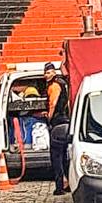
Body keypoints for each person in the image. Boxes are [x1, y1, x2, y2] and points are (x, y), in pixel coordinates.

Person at [44, 63, 71, 195]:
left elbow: (53, 103)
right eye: (45, 73)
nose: (46, 75)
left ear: (53, 72)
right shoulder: (63, 82)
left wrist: (49, 117)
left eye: (48, 73)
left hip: (58, 123)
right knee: (64, 156)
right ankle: (69, 184)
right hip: (66, 121)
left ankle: (59, 187)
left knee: (56, 157)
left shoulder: (54, 85)